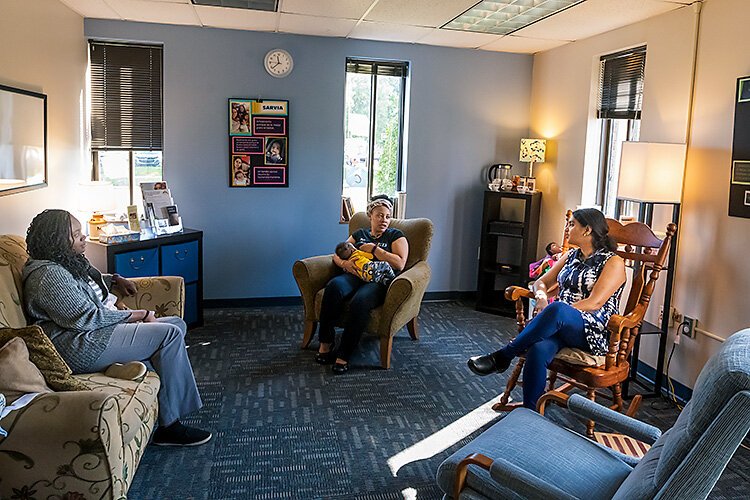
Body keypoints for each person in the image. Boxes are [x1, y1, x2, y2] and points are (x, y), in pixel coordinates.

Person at [22, 209, 211, 446]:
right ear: (56, 240)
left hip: (92, 334)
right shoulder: (48, 275)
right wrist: (138, 315)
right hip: (78, 345)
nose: (83, 238)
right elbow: (86, 318)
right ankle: (170, 426)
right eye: (76, 234)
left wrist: (114, 279)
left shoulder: (64, 263)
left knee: (176, 323)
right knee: (169, 334)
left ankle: (127, 365)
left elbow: (85, 283)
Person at [467, 208, 626, 409]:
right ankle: (531, 411)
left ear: (587, 230)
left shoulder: (613, 262)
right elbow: (540, 282)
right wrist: (542, 299)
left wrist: (557, 312)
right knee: (538, 348)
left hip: (593, 331)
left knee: (558, 309)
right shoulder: (571, 256)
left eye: (572, 224)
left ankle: (503, 356)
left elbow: (595, 303)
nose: (567, 229)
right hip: (560, 325)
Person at [316, 197, 409, 374]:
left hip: (378, 280)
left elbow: (400, 264)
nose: (384, 220)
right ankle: (326, 342)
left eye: (388, 216)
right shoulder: (360, 234)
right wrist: (344, 265)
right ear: (370, 216)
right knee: (334, 286)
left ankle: (344, 353)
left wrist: (375, 250)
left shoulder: (395, 235)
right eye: (380, 215)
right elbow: (338, 253)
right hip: (355, 274)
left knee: (360, 301)